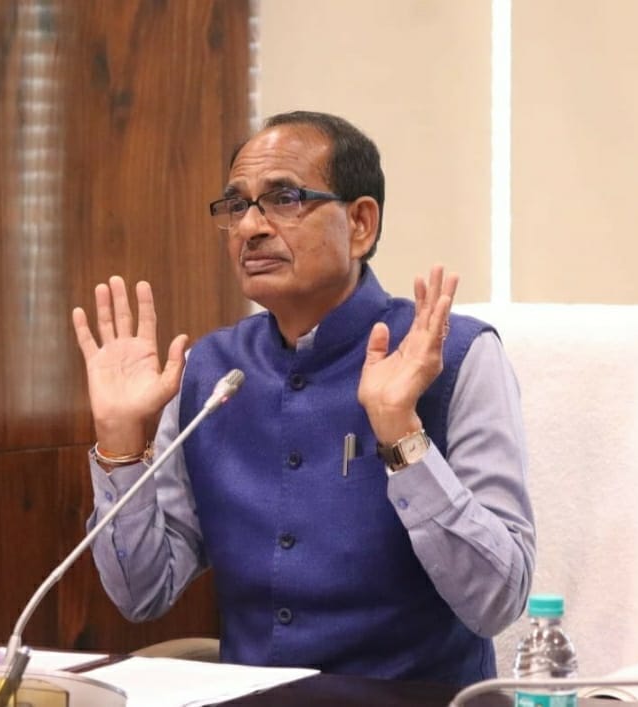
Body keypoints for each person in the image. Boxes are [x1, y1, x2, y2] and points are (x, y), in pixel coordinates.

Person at [72, 111, 534, 686]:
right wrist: (120, 445)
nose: (250, 227)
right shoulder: (208, 372)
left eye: (283, 199)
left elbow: (498, 601)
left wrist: (401, 434)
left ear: (360, 224)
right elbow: (142, 593)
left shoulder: (455, 356)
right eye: (237, 205)